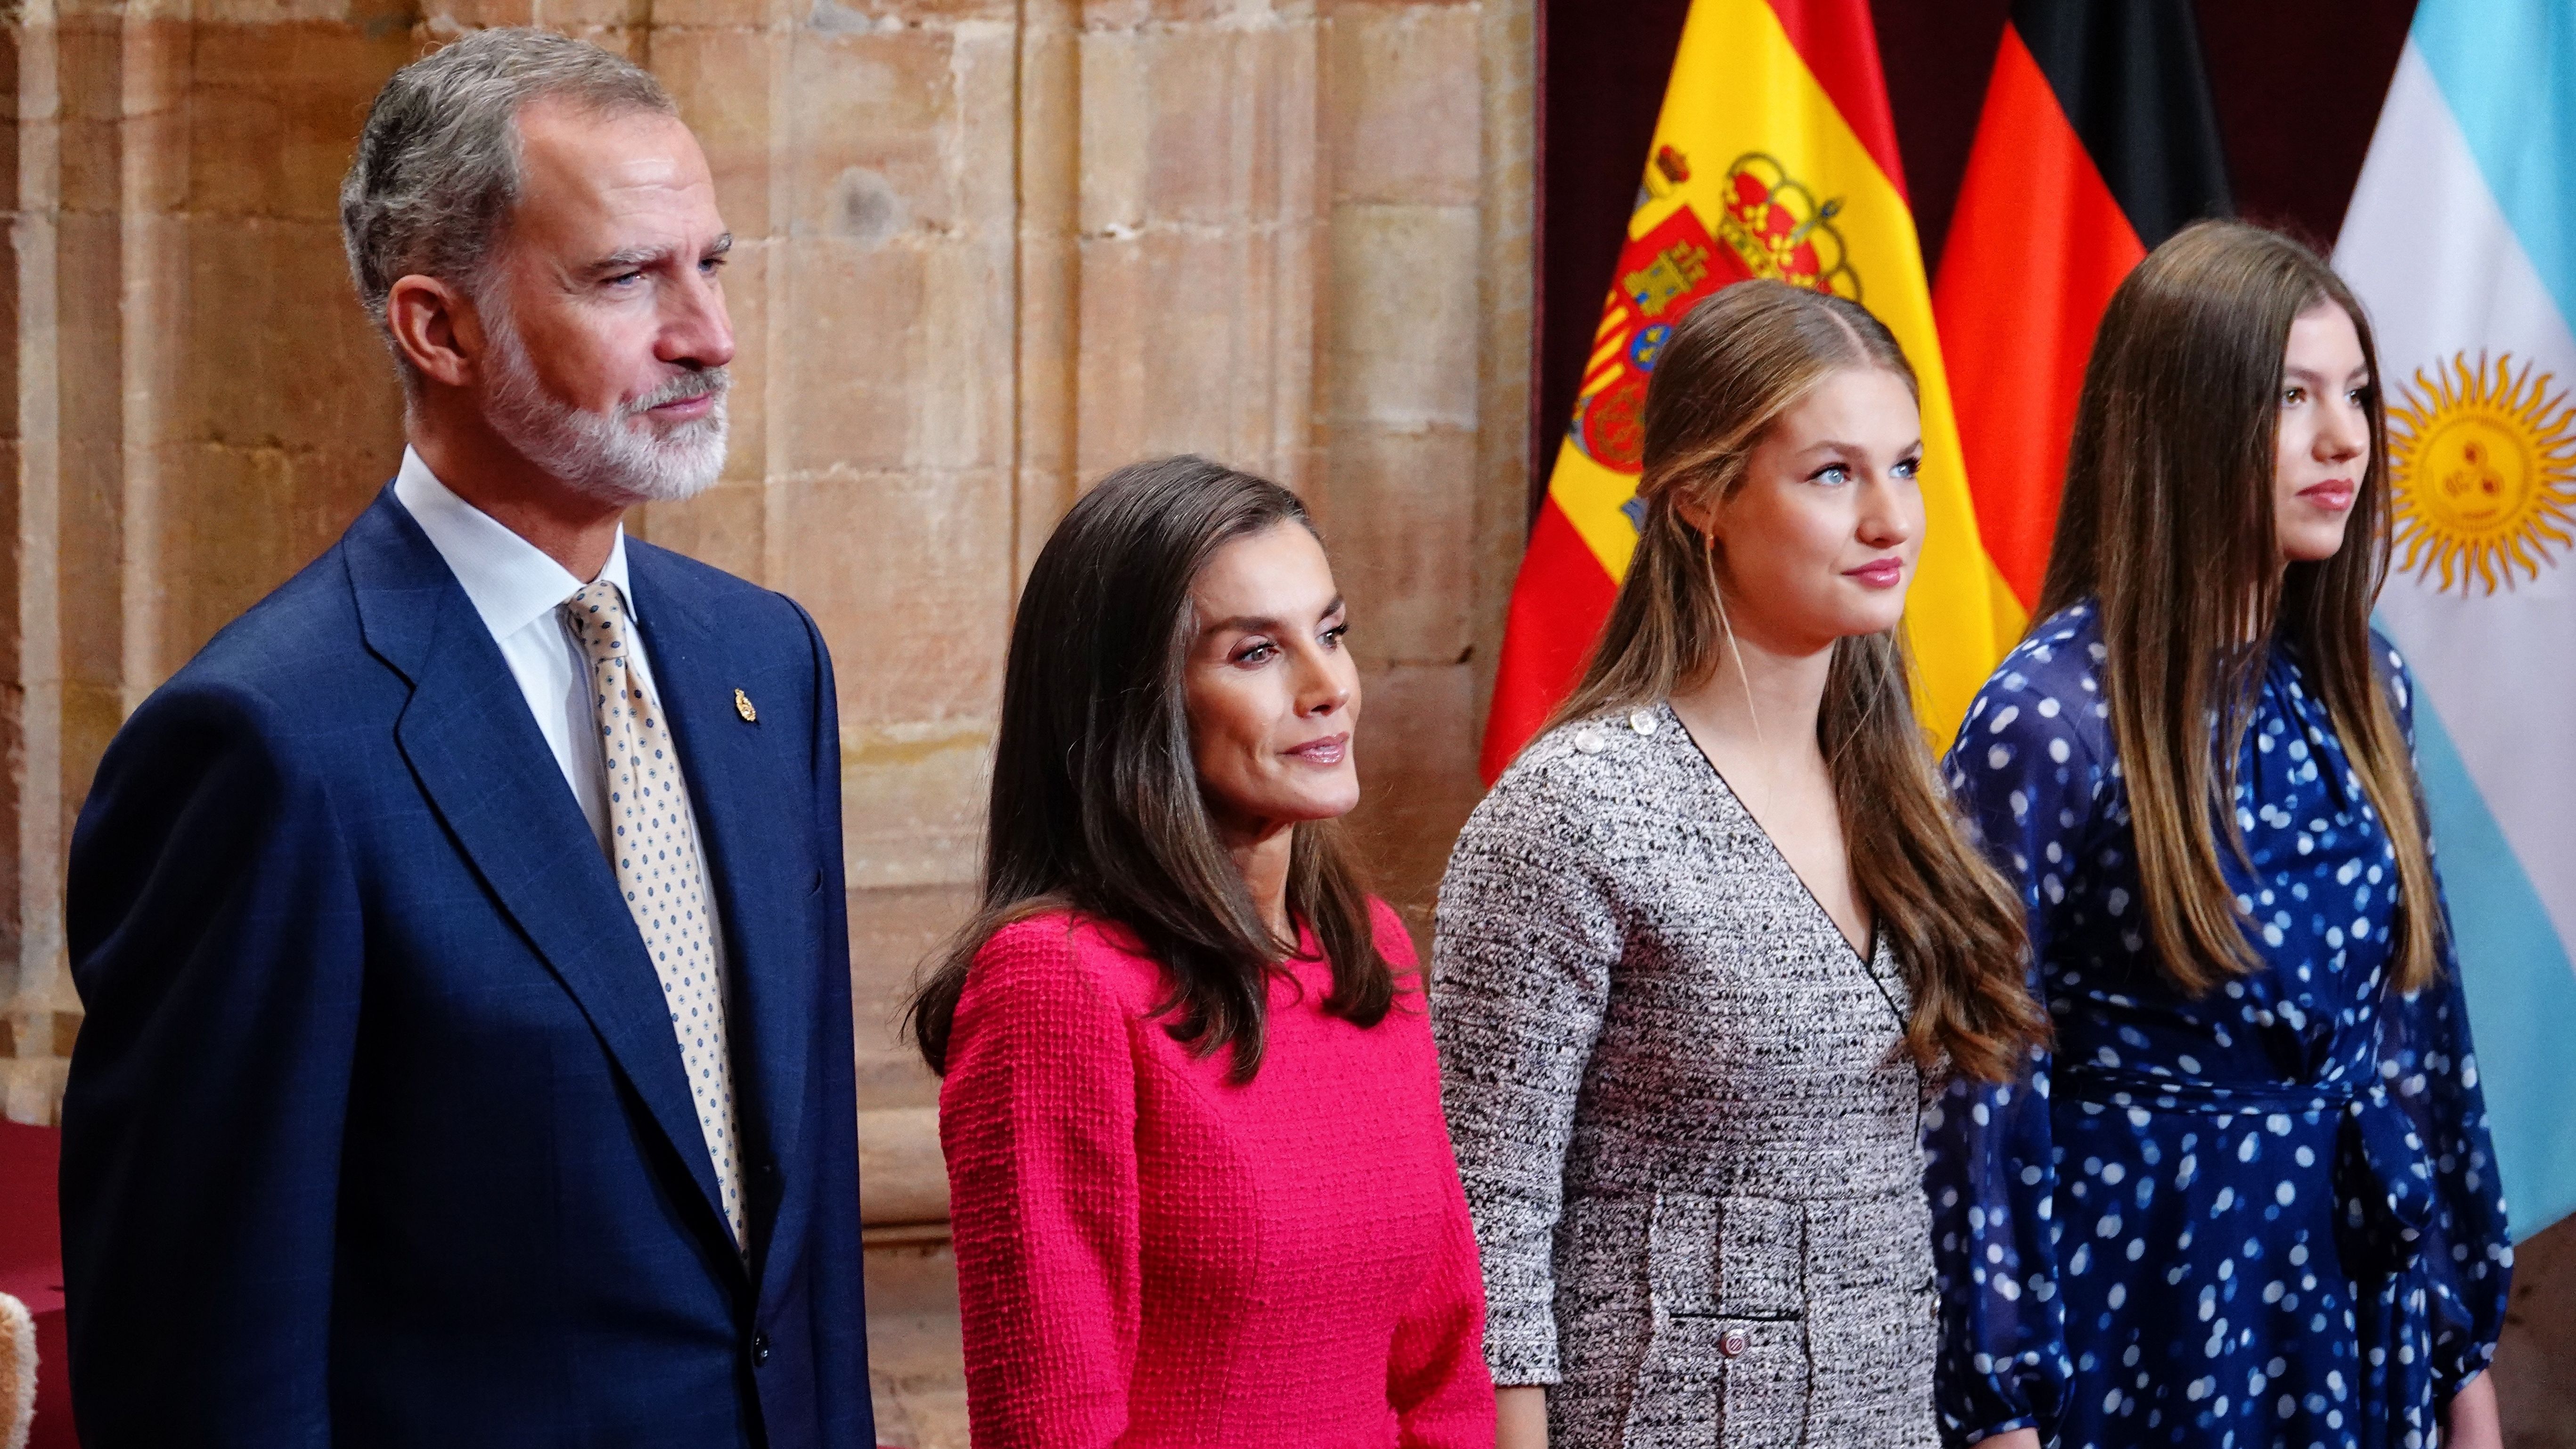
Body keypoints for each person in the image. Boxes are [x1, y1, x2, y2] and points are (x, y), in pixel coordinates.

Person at [58, 31, 872, 1447]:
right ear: (437, 328)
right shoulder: (265, 746)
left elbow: (800, 1245)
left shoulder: (767, 662)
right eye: (628, 277)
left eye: (713, 263)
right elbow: (204, 1360)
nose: (708, 334)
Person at [1434, 279, 2051, 1449]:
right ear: (1701, 498)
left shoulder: (1908, 794)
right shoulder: (1578, 806)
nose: (1891, 519)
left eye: (1906, 467)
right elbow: (1488, 1229)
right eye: (1833, 474)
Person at [1928, 221, 2512, 1449]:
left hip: (2352, 1299)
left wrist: (2462, 1358)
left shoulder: (2360, 680)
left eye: (2354, 393)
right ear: (2181, 421)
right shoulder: (2046, 720)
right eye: (2289, 397)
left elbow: (2418, 1035)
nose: (2343, 438)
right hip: (2148, 1299)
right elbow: (1981, 1090)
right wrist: (1999, 1411)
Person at [908, 456, 1495, 1448]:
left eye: (1332, 632)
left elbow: (1442, 1365)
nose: (1329, 688)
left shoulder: (1366, 944)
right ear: (1137, 703)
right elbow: (1051, 1421)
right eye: (1256, 652)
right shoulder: (1054, 982)